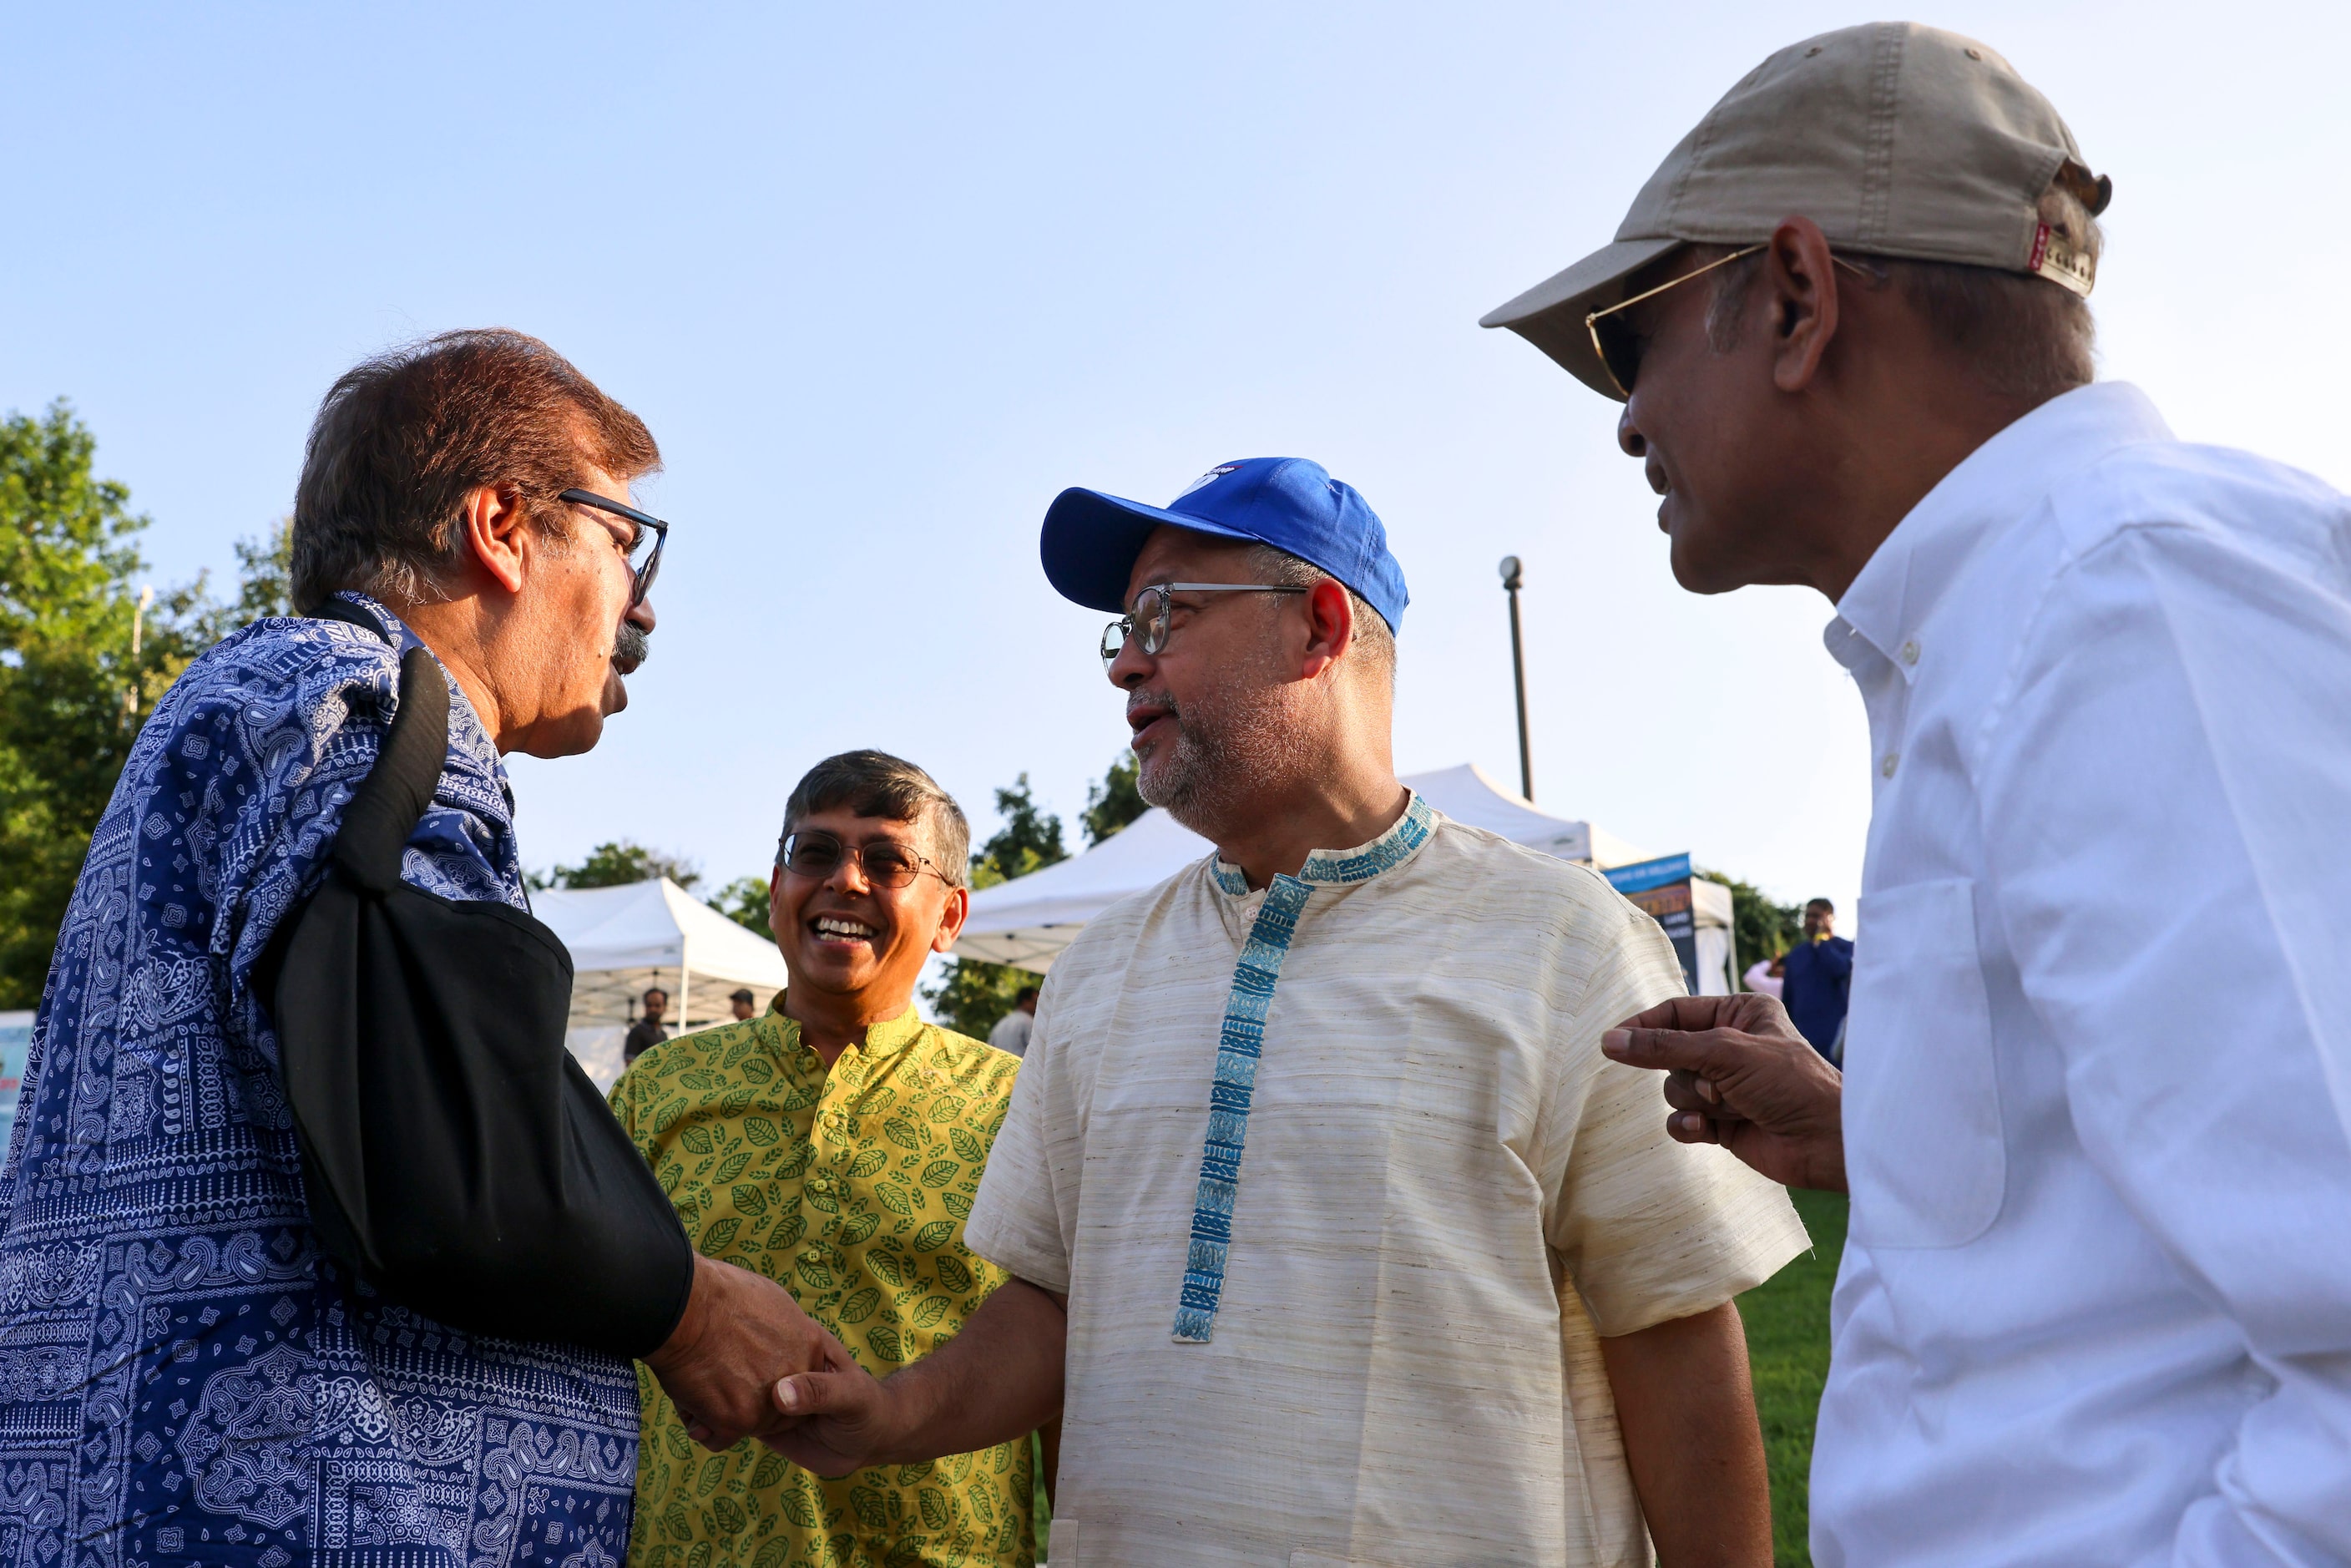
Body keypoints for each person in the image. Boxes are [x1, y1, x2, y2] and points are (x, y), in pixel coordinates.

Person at [1484, 23, 2351, 1564]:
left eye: (1633, 340)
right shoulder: (2033, 620)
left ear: (1800, 297)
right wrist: (1870, 1126)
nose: (1622, 417)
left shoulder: (2120, 602)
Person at [764, 457, 1808, 1566]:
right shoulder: (1097, 975)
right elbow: (1055, 1306)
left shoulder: (1566, 942)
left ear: (1317, 625)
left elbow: (1677, 1337)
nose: (1125, 662)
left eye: (1162, 613)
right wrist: (896, 1414)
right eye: (1118, 629)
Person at [0, 331, 829, 1567]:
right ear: (501, 525)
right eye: (623, 542)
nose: (641, 605)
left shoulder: (260, 704)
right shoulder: (365, 700)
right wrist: (694, 1311)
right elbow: (449, 1143)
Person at [614, 751, 1034, 1566]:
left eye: (887, 861)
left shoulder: (1018, 1104)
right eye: (814, 853)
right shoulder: (660, 1090)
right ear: (776, 892)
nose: (845, 880)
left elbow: (1059, 1358)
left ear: (949, 915)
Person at [1776, 899, 1850, 1060]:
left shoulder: (1846, 948)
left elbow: (1841, 970)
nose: (1810, 920)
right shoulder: (1796, 955)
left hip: (1837, 1041)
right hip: (1804, 1040)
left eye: (1816, 916)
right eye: (1807, 916)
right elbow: (1788, 1000)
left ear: (1830, 918)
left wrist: (1821, 942)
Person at [985, 985, 1038, 1059]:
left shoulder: (1001, 1024)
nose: (1038, 1007)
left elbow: (989, 1051)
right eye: (1036, 1003)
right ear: (1025, 1002)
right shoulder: (1029, 1023)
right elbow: (1038, 1052)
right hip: (1021, 1068)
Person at [627, 985, 673, 1065]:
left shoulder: (663, 1035)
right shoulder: (637, 1032)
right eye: (649, 1005)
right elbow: (630, 1065)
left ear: (665, 1007)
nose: (653, 1009)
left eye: (657, 1005)